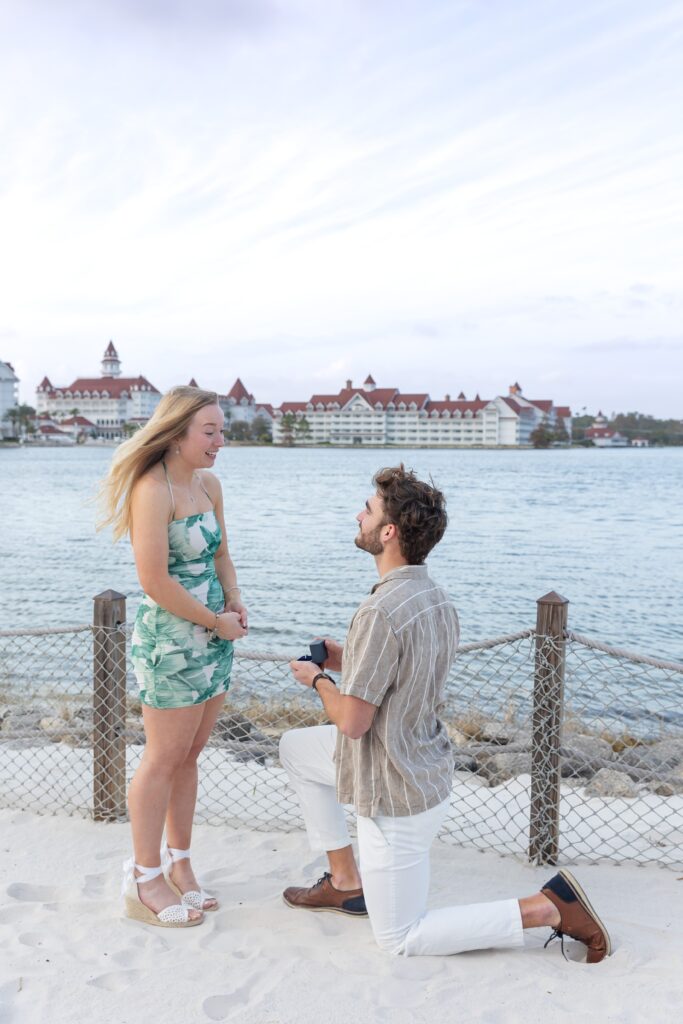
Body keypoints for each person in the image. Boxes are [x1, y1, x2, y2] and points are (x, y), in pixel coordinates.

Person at [280, 465, 610, 963]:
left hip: (394, 791)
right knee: (295, 749)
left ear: (388, 532)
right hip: (424, 765)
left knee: (400, 938)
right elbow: (403, 671)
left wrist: (319, 679)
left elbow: (351, 722)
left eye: (367, 510)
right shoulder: (434, 596)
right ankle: (345, 880)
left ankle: (547, 907)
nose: (358, 514)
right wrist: (346, 656)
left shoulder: (379, 610)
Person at [99, 386, 247, 928]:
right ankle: (144, 877)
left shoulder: (209, 484)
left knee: (190, 757)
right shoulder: (151, 488)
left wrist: (233, 599)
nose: (219, 441)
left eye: (221, 431)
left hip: (215, 638)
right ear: (178, 432)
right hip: (172, 641)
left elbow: (222, 552)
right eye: (209, 431)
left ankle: (181, 865)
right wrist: (215, 621)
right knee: (162, 758)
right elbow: (154, 581)